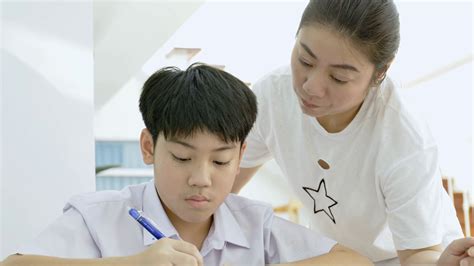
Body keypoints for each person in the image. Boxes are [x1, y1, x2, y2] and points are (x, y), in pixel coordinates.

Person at [2, 63, 373, 266]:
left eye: (221, 160)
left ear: (241, 156)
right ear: (149, 147)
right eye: (182, 157)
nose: (201, 179)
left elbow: (353, 262)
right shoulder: (99, 217)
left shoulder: (253, 224)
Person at [231, 0, 473, 265]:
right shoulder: (271, 97)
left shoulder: (403, 138)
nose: (311, 86)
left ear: (380, 73)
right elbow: (223, 185)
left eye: (339, 78)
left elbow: (417, 253)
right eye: (305, 60)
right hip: (339, 256)